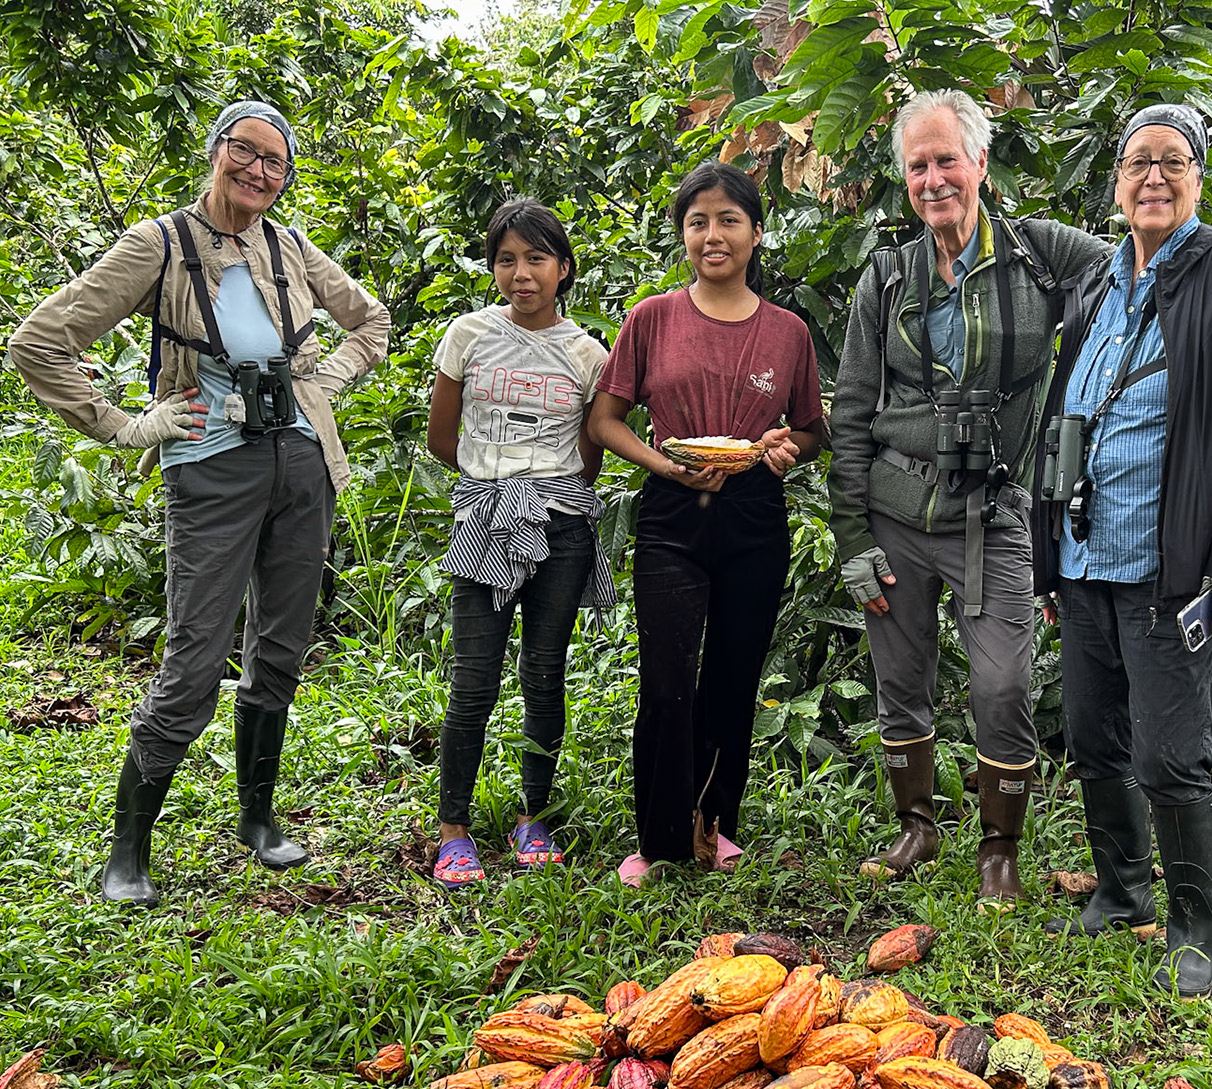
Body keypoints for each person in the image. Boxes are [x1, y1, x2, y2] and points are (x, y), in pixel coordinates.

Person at [7, 101, 390, 907]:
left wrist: (324, 382)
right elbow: (39, 340)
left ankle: (257, 819)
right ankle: (128, 852)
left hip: (302, 462)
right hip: (210, 469)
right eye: (245, 153)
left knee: (281, 645)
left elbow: (371, 320)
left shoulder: (288, 246)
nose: (258, 172)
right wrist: (122, 423)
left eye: (275, 163)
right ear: (215, 151)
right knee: (194, 658)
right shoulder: (161, 243)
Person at [1031, 103, 1212, 997]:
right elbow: (1066, 417)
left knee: (1171, 755)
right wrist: (1043, 555)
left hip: (1170, 570)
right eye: (1138, 162)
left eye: (1172, 162)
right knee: (1093, 740)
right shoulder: (1099, 284)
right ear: (1115, 183)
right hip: (1082, 558)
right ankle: (1122, 891)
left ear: (1197, 178)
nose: (1153, 176)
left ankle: (1191, 926)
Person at [827, 90, 1113, 906]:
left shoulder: (1040, 256)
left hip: (993, 514)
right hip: (895, 512)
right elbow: (850, 411)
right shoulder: (887, 276)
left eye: (946, 158)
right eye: (917, 166)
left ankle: (1000, 847)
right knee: (902, 679)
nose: (932, 179)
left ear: (981, 163)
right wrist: (852, 538)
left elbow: (1152, 264)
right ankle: (916, 823)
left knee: (1002, 685)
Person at [587, 161, 827, 886]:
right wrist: (662, 465)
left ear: (757, 232)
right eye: (698, 221)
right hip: (671, 510)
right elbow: (605, 421)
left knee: (733, 672)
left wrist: (787, 447)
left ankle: (714, 824)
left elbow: (811, 429)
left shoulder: (788, 333)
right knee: (666, 679)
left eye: (728, 220)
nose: (712, 235)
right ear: (682, 235)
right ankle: (657, 839)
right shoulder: (652, 318)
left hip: (754, 512)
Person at [425, 198, 612, 887]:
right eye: (507, 259)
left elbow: (589, 452)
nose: (521, 273)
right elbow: (443, 439)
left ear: (563, 268)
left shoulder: (588, 354)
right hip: (484, 517)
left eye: (536, 258)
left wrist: (543, 494)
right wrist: (498, 485)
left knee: (544, 672)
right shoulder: (468, 336)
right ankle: (453, 830)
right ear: (493, 268)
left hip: (561, 526)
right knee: (472, 680)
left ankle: (536, 816)